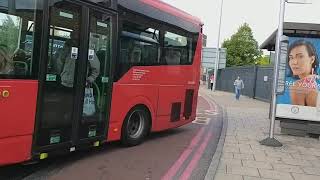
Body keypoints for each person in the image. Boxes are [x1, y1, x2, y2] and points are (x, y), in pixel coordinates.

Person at [288, 40, 319, 107]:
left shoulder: (297, 86)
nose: (294, 62)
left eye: (300, 56)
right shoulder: (314, 80)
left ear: (312, 59)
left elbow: (296, 114)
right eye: (291, 57)